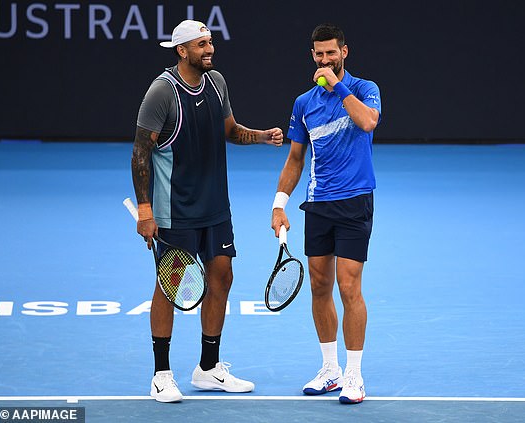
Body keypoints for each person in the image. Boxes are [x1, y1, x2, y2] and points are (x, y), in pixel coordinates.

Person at [131, 19, 283, 403]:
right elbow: (140, 152)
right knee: (169, 287)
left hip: (216, 207)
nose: (209, 49)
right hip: (174, 211)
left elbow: (229, 130)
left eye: (210, 41)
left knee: (222, 277)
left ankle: (208, 368)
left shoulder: (217, 83)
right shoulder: (161, 92)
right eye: (201, 44)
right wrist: (146, 210)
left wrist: (262, 137)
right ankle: (161, 374)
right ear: (182, 51)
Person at [271, 23, 381, 404]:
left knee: (349, 287)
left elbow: (367, 122)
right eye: (318, 54)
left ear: (344, 52)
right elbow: (295, 159)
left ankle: (354, 374)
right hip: (318, 203)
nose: (324, 60)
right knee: (319, 286)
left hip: (354, 201)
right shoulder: (304, 104)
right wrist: (279, 204)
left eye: (330, 53)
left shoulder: (366, 90)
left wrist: (337, 85)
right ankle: (330, 368)